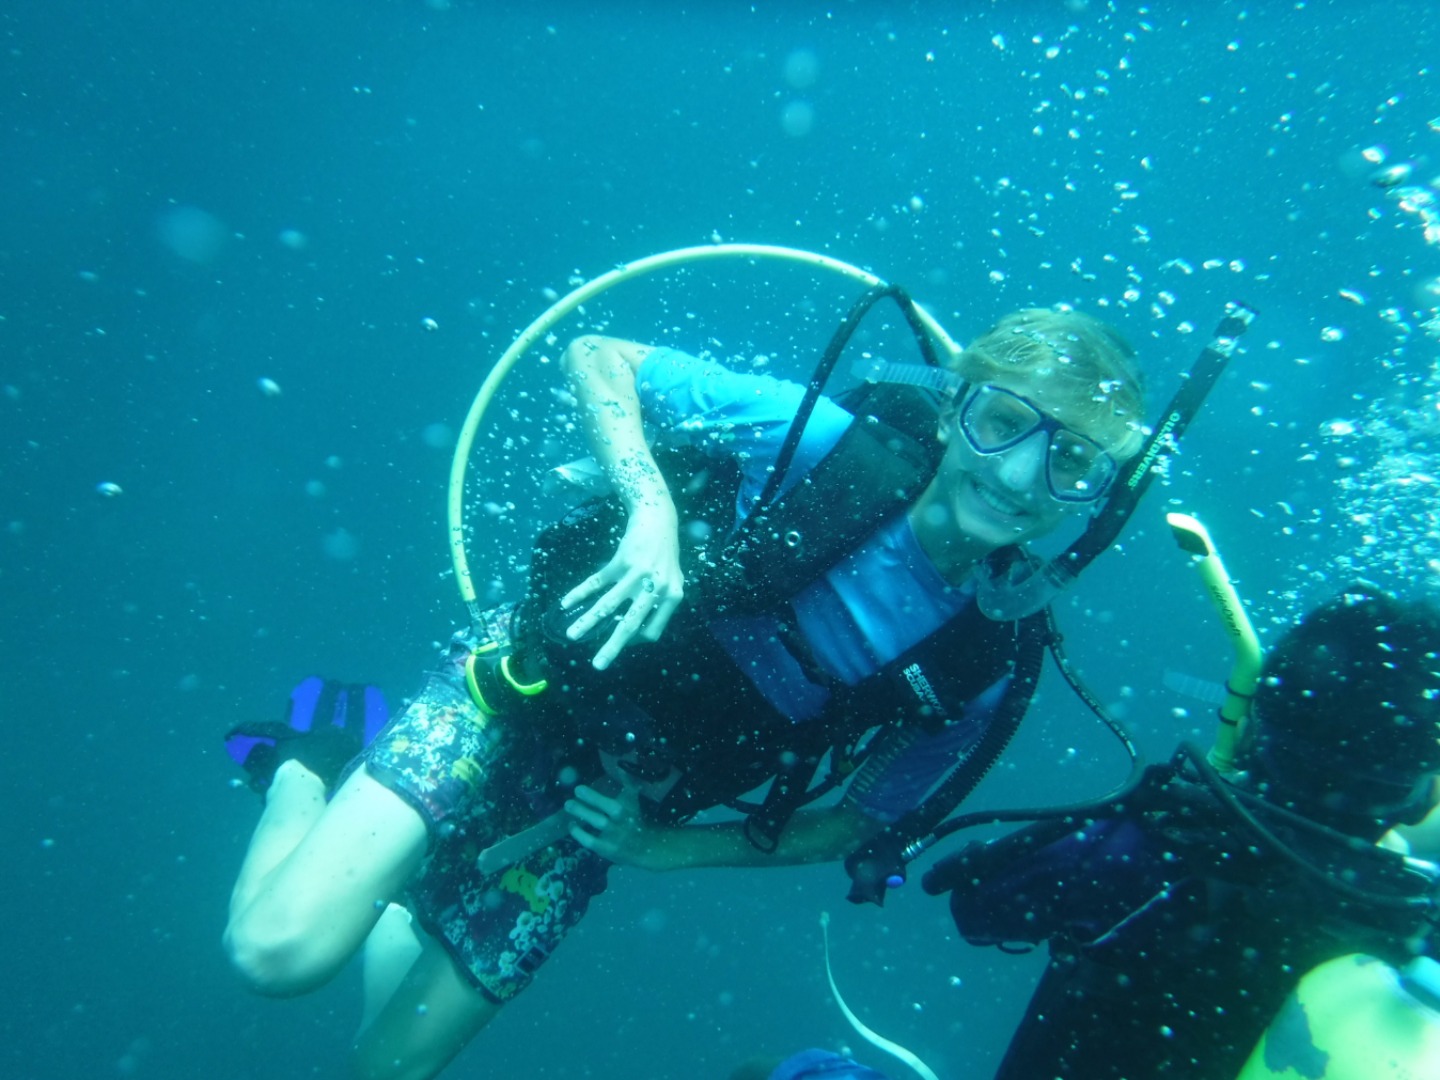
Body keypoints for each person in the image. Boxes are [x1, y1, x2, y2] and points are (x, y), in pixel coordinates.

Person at [223, 307, 1147, 1079]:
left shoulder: (984, 663)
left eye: (1072, 461)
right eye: (1001, 422)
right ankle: (310, 765)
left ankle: (399, 885)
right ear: (953, 408)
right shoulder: (822, 446)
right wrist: (650, 508)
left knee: (384, 1070)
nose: (1018, 474)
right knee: (277, 955)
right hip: (515, 694)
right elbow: (601, 356)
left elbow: (858, 822)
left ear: (1099, 496)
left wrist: (663, 850)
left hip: (601, 808)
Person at [920, 587, 1440, 1079]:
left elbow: (978, 909)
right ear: (1419, 796)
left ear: (1253, 724)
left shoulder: (1151, 846)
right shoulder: (1413, 919)